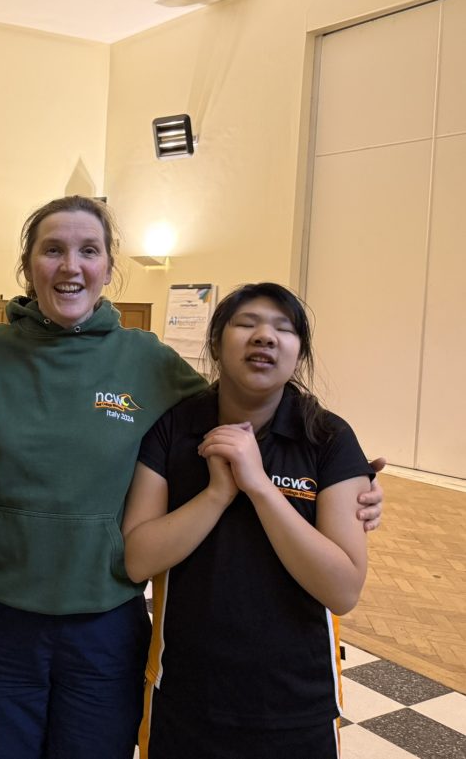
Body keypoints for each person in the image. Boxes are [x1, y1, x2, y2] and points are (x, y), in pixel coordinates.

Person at [0, 196, 383, 759]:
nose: (70, 266)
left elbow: (241, 400)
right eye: (52, 250)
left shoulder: (146, 360)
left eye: (89, 251)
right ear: (29, 265)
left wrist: (346, 478)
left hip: (103, 616)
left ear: (109, 267)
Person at [122, 283, 370, 758]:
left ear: (299, 352)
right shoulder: (175, 428)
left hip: (296, 705)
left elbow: (342, 590)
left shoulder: (328, 438)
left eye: (284, 328)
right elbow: (137, 560)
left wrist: (258, 486)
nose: (265, 337)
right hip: (185, 697)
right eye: (245, 324)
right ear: (216, 344)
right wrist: (217, 493)